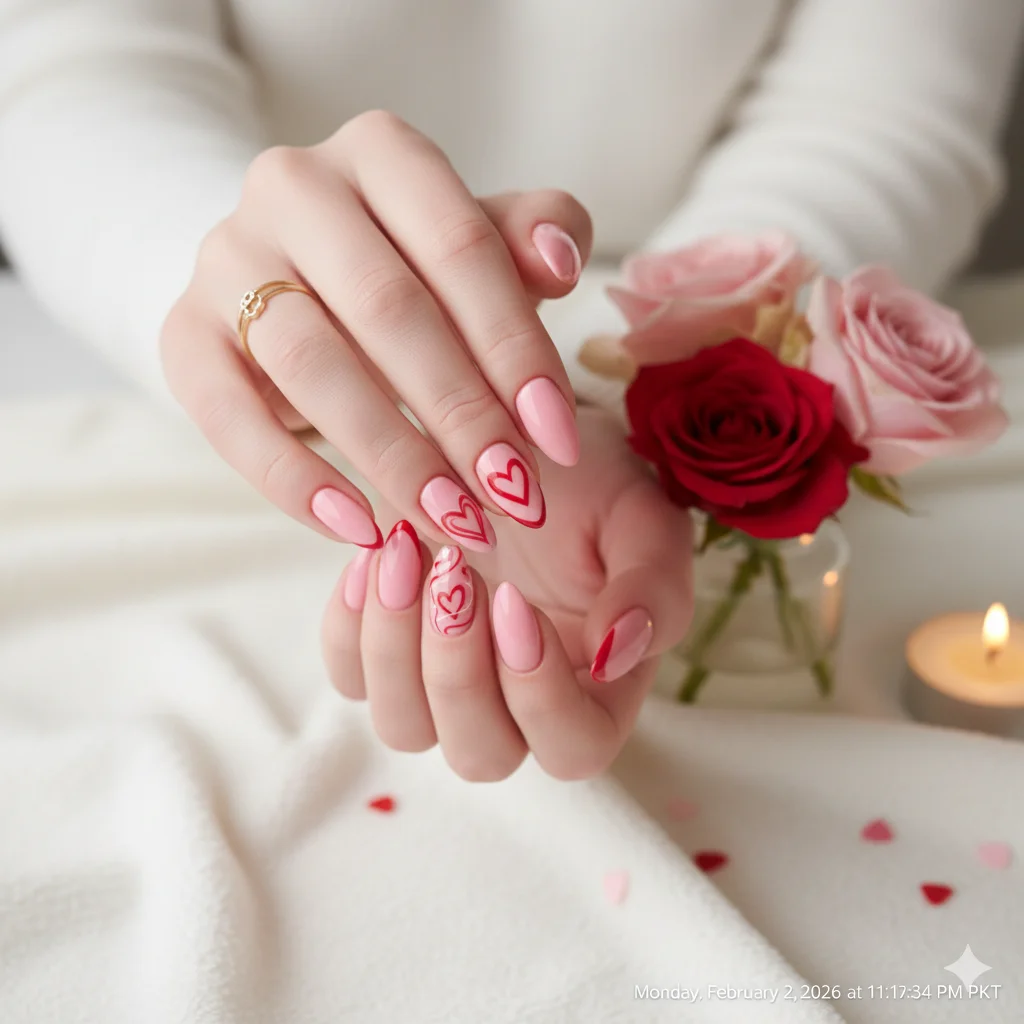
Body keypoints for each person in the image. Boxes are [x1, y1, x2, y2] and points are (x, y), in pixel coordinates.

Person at [0, 1, 1021, 780]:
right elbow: (69, 71)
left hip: (693, 333)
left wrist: (617, 391)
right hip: (211, 366)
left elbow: (879, 115)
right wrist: (233, 296)